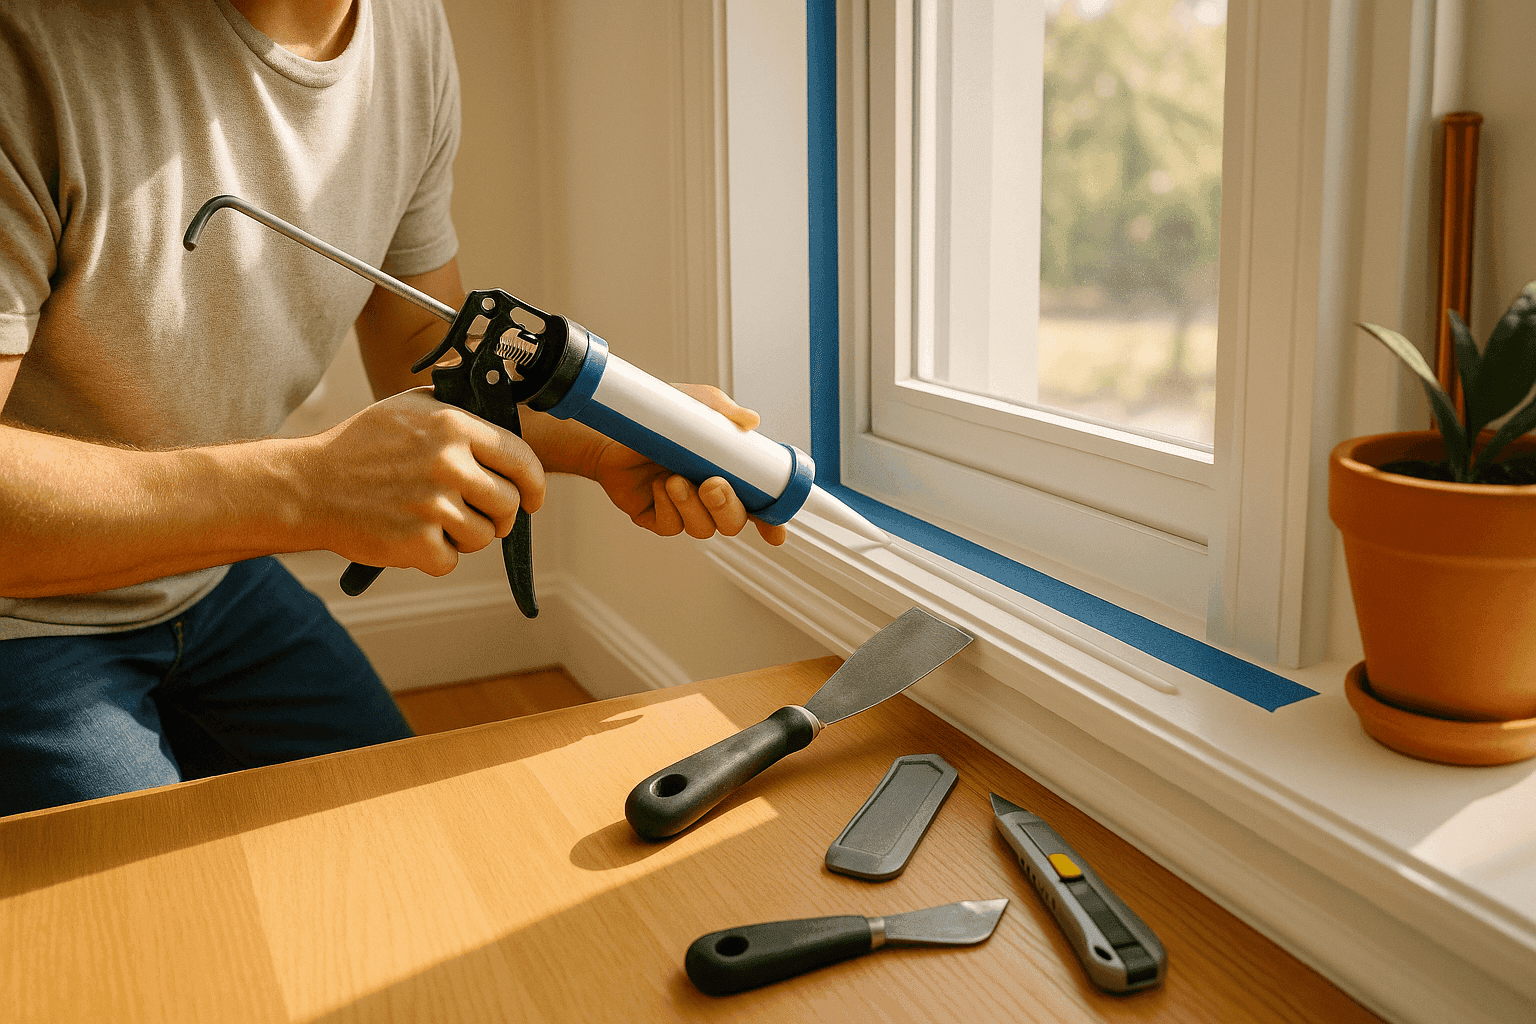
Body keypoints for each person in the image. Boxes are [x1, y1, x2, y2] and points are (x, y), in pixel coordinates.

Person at [0, 0, 784, 817]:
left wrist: (604, 432)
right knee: (146, 930)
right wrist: (304, 491)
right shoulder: (28, 43)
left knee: (407, 840)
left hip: (210, 577)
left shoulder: (405, 29)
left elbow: (424, 340)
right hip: (18, 616)